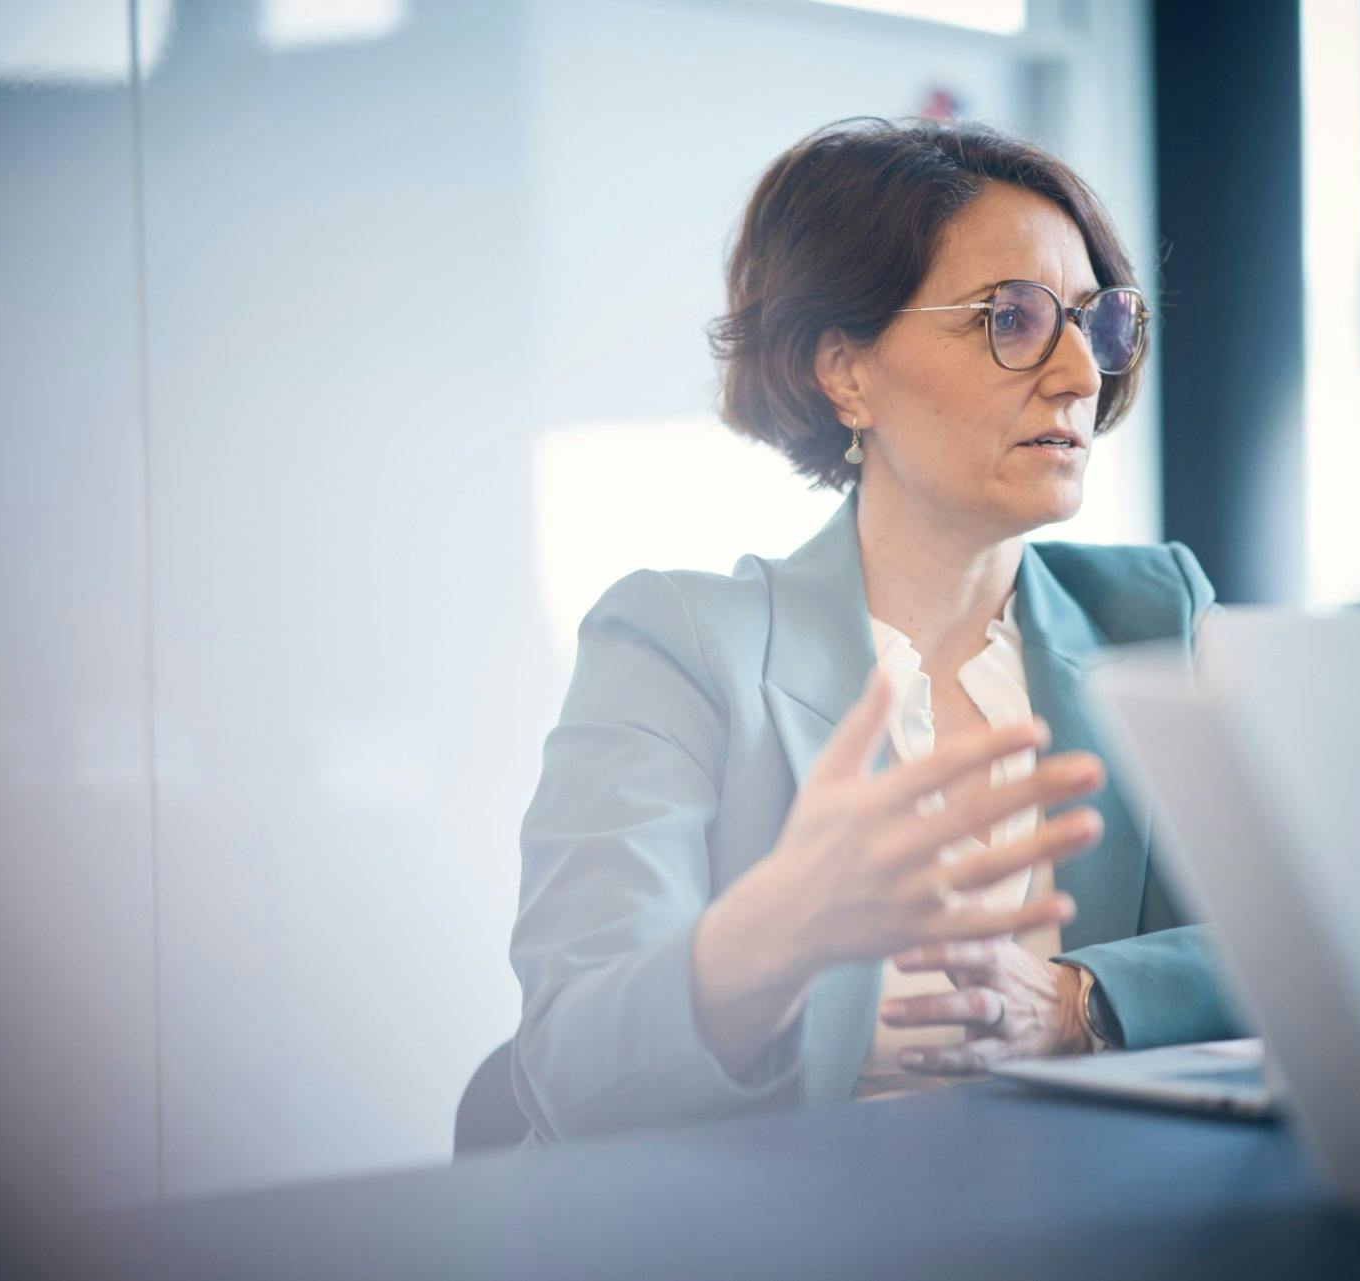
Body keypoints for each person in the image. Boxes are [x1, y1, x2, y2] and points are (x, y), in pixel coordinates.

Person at [509, 116, 1238, 1146]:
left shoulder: (1158, 612)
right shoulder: (676, 644)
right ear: (844, 371)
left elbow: (1314, 946)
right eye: (1013, 318)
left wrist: (1076, 1006)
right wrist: (769, 938)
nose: (1082, 374)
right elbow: (569, 1065)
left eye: (1095, 320)